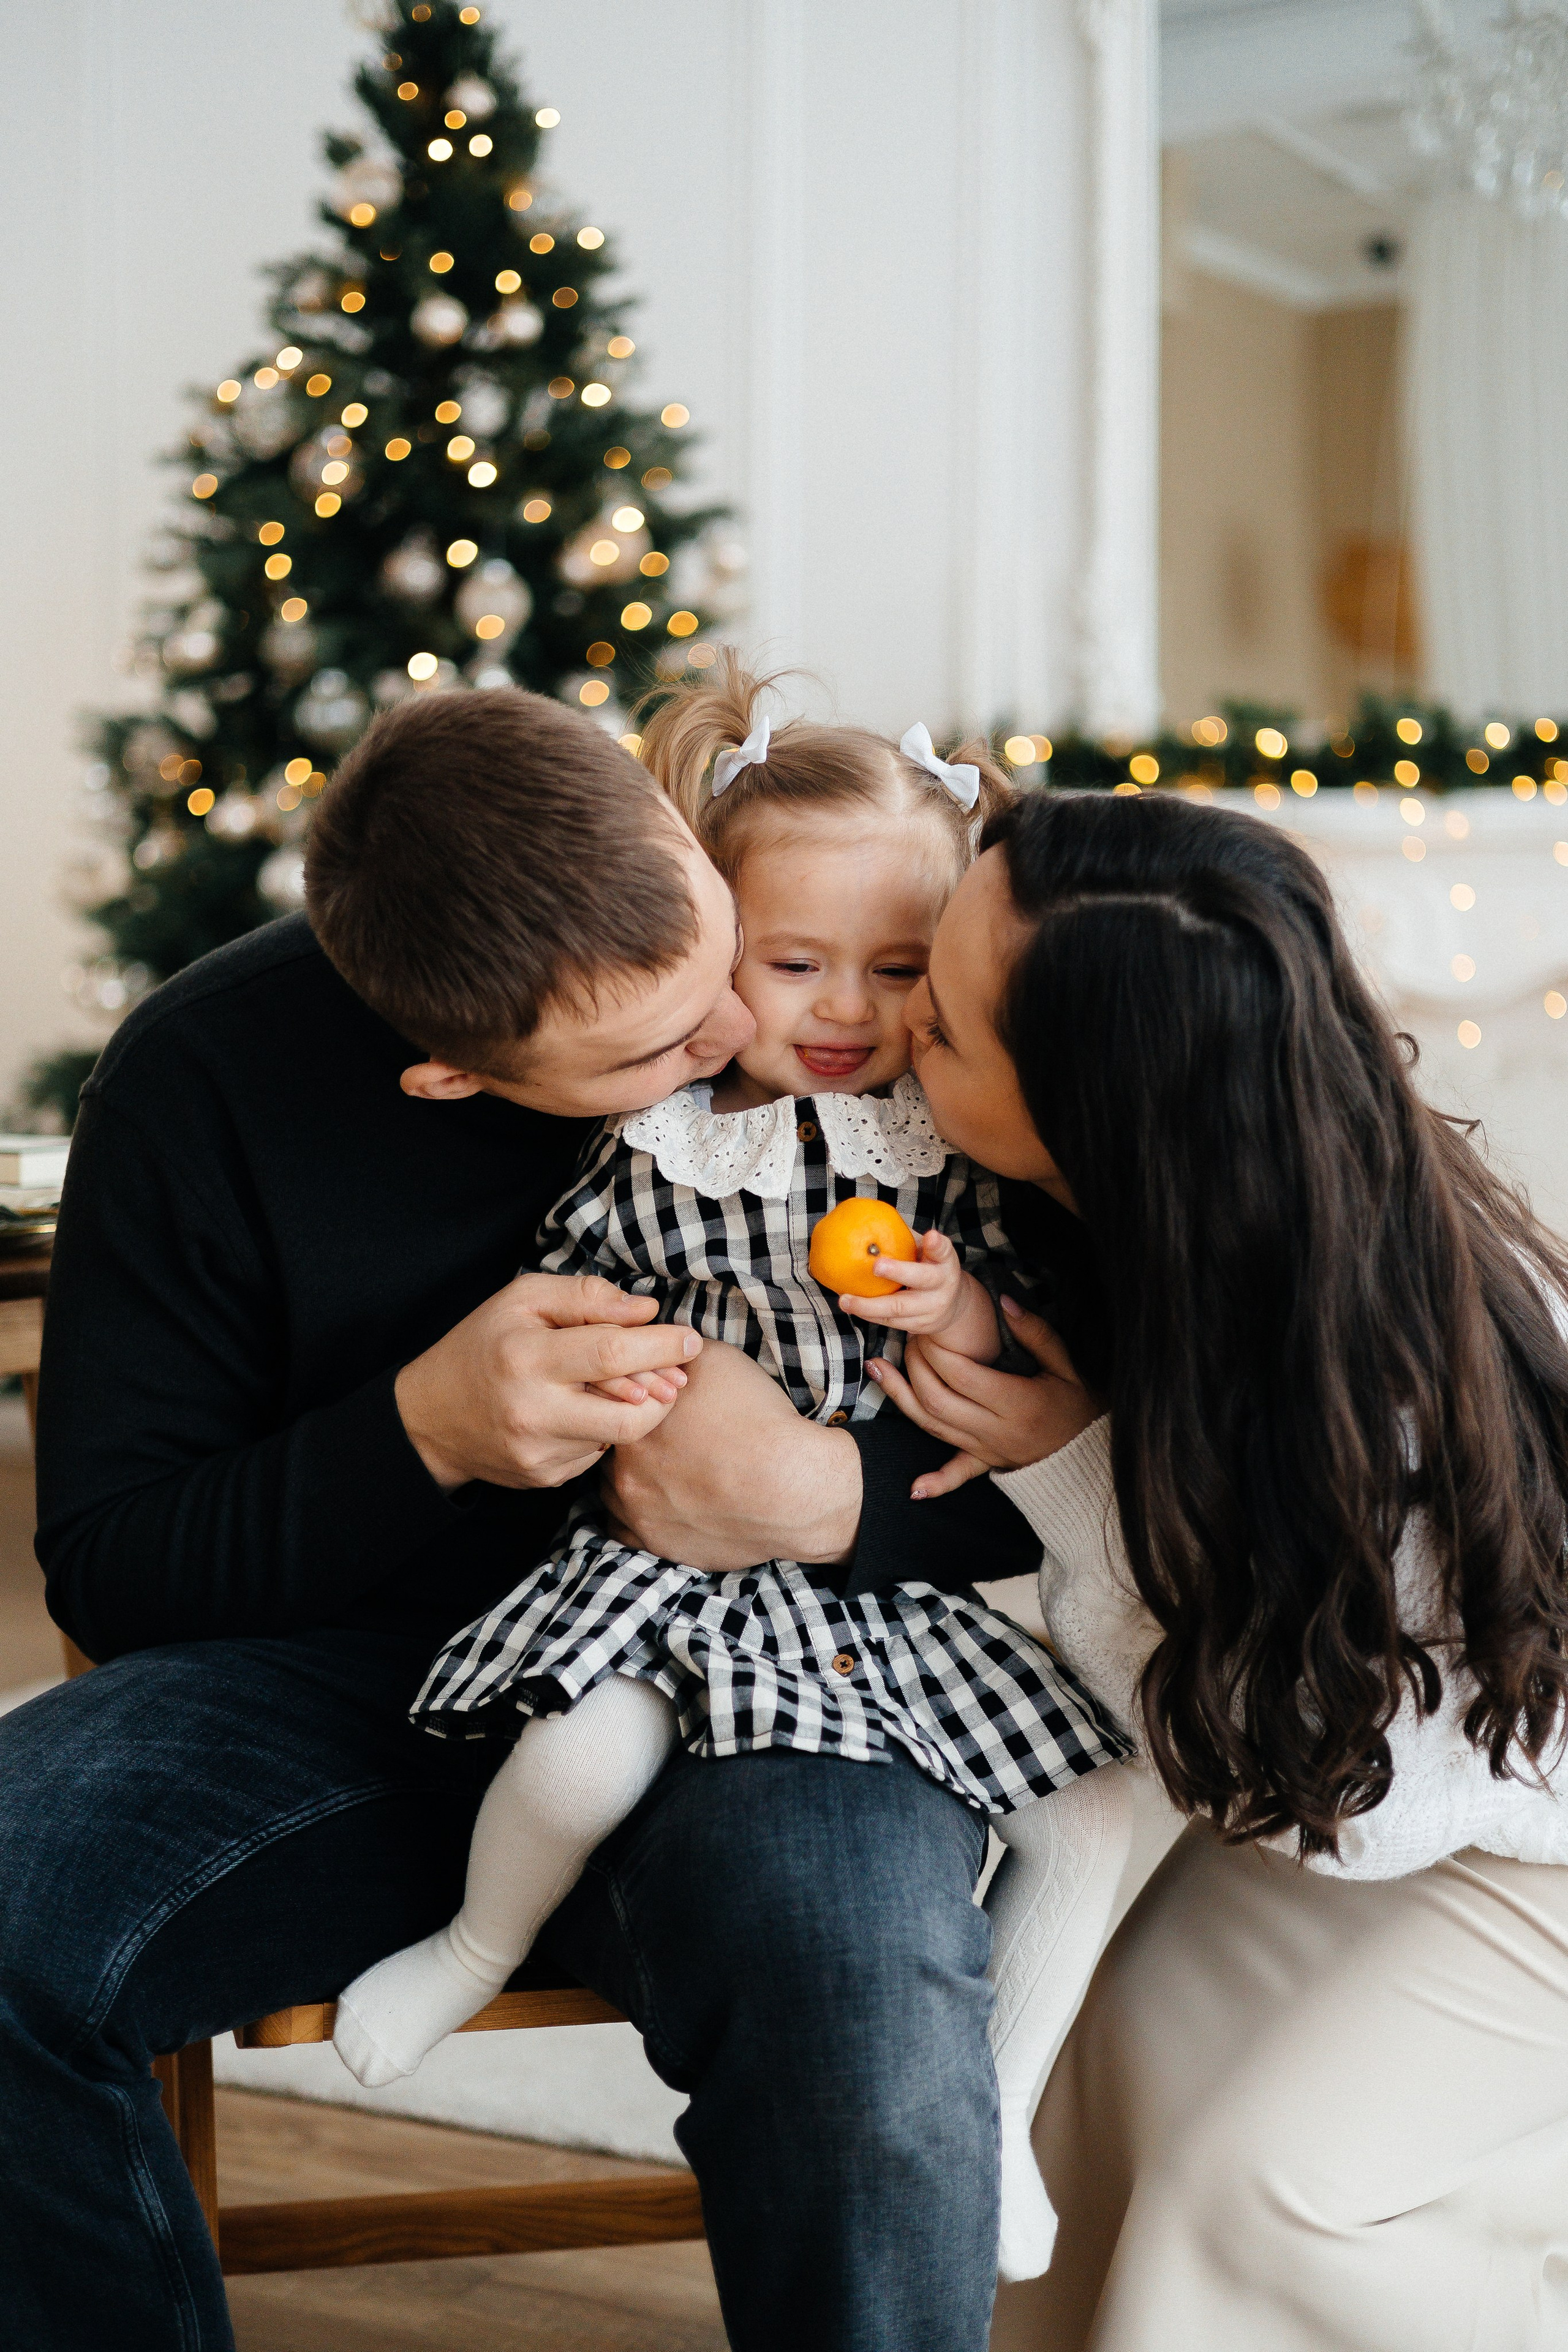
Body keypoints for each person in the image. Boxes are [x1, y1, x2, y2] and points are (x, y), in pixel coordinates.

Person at [1, 688, 1046, 2352]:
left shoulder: (894, 1008)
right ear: (447, 1074)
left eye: (718, 957)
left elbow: (1141, 1476)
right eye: (647, 1052)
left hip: (798, 1672)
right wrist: (419, 1436)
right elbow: (117, 1564)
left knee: (856, 1998)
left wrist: (827, 1497)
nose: (727, 1038)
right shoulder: (207, 1079)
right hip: (360, 1692)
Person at [327, 661, 1134, 2283]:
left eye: (897, 969)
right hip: (673, 1573)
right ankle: (471, 1947)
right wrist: (621, 1370)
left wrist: (958, 1303)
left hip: (891, 1602)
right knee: (571, 1762)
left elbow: (1053, 1339)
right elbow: (563, 1296)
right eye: (794, 964)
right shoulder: (656, 1135)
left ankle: (998, 2110)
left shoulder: (955, 1136)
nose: (846, 1011)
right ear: (706, 932)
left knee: (1098, 1814)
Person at [870, 785, 1568, 2351]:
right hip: (1378, 1772)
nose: (895, 1013)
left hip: (1498, 1813)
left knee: (1260, 2192)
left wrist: (1070, 1474)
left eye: (943, 1026)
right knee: (1103, 2073)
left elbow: (1300, 1769)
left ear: (1093, 1111)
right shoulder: (1178, 1201)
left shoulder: (1345, 1364)